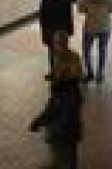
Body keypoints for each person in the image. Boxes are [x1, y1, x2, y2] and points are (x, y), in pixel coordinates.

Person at [29, 29, 85, 169]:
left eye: (57, 43)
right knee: (70, 159)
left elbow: (52, 111)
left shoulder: (63, 94)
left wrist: (37, 122)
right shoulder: (64, 58)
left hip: (62, 134)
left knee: (63, 160)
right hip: (71, 133)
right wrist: (53, 75)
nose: (55, 45)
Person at [76, 0, 112, 83]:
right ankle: (100, 74)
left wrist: (90, 9)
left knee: (86, 50)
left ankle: (90, 72)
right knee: (102, 50)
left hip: (90, 26)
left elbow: (80, 9)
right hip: (105, 26)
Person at [38, 0, 78, 77]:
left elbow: (42, 17)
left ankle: (53, 71)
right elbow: (68, 16)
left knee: (51, 51)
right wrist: (70, 30)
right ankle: (64, 72)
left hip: (50, 29)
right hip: (63, 29)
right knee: (63, 50)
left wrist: (44, 31)